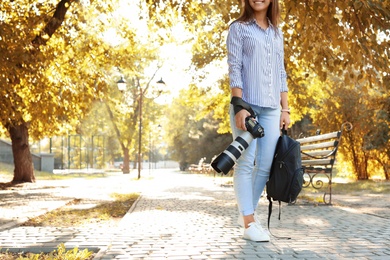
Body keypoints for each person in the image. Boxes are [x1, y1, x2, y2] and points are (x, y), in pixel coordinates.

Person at [226, 0, 290, 242]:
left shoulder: (276, 33)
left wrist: (286, 108)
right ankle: (249, 221)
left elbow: (281, 72)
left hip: (273, 108)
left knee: (264, 166)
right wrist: (239, 106)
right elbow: (235, 68)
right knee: (245, 163)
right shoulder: (238, 28)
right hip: (248, 106)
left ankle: (247, 218)